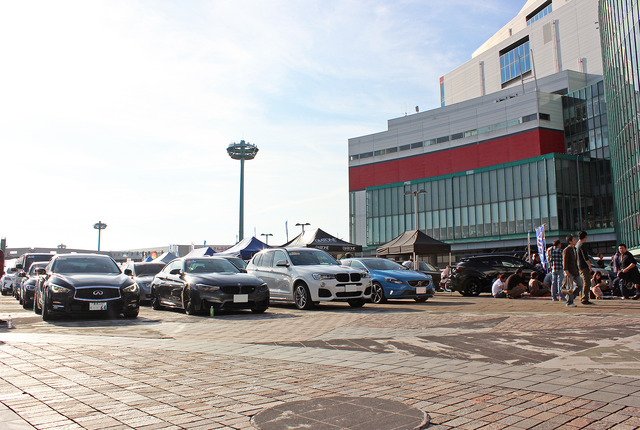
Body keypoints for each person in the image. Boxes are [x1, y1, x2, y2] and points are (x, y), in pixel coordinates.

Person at [561, 234, 583, 307]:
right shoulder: (567, 250)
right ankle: (569, 302)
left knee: (580, 285)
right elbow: (565, 261)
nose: (576, 241)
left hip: (575, 270)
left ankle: (571, 298)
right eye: (574, 240)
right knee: (569, 286)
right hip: (569, 271)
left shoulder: (575, 249)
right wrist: (566, 270)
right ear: (570, 241)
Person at [575, 231, 594, 305]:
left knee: (583, 282)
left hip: (579, 265)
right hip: (583, 266)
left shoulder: (577, 245)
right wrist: (590, 266)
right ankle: (584, 299)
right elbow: (585, 257)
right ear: (585, 237)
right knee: (587, 282)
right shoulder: (582, 245)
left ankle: (582, 297)